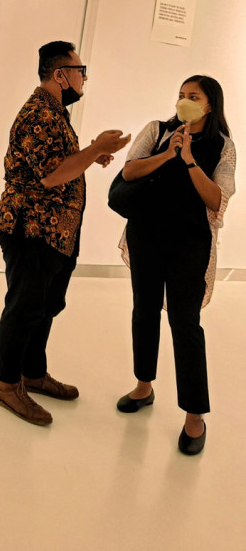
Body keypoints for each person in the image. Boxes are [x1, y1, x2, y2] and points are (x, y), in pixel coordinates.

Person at [0, 41, 130, 425]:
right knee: (24, 308)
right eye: (80, 69)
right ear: (60, 74)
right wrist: (94, 149)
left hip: (55, 234)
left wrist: (90, 151)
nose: (84, 78)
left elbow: (57, 163)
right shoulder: (38, 113)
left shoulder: (55, 114)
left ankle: (32, 374)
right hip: (30, 230)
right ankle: (6, 384)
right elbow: (52, 175)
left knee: (45, 307)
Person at [115, 75, 236, 456]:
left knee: (185, 324)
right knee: (144, 312)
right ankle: (144, 385)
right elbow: (129, 172)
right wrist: (169, 152)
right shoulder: (157, 130)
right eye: (182, 95)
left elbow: (217, 199)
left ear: (209, 105)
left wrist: (188, 161)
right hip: (147, 237)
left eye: (193, 96)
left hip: (189, 246)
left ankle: (195, 414)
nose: (184, 101)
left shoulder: (223, 147)